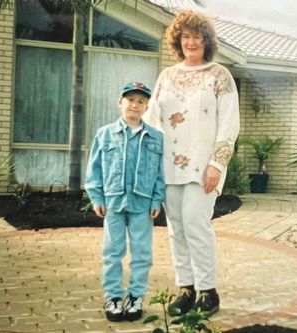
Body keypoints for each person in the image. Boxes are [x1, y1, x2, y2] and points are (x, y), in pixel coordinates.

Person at [144, 11, 240, 317]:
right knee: (176, 228)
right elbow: (152, 121)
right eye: (186, 36)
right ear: (178, 40)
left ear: (207, 41)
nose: (191, 42)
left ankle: (208, 291)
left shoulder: (219, 76)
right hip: (168, 166)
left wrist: (217, 164)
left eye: (198, 37)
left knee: (196, 223)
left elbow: (229, 124)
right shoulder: (166, 76)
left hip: (203, 166)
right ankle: (186, 288)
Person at [84, 81, 165, 322]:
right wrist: (96, 196)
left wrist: (156, 200)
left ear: (146, 106)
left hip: (142, 204)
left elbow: (161, 173)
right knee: (112, 251)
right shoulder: (105, 133)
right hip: (114, 203)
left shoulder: (156, 137)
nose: (135, 105)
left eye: (141, 101)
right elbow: (94, 169)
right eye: (130, 100)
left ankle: (136, 296)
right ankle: (114, 297)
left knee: (142, 253)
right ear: (120, 102)